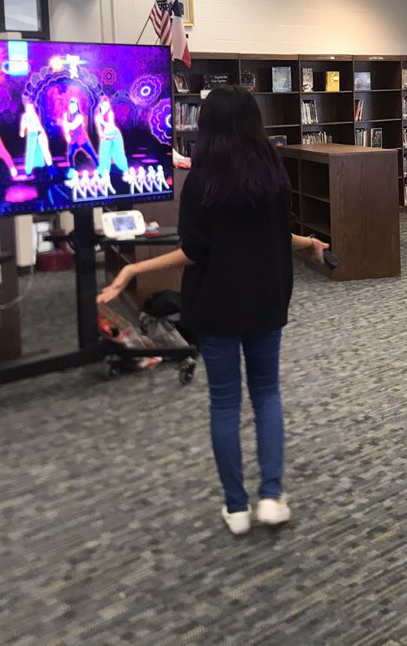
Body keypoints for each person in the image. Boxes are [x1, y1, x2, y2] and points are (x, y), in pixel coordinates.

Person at [98, 85, 326, 535]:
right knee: (267, 394)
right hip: (266, 300)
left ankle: (236, 508)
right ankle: (272, 498)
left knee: (225, 401)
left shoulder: (202, 179)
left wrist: (130, 273)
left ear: (207, 126)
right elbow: (278, 234)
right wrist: (309, 245)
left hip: (217, 303)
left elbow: (194, 252)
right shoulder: (273, 173)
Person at [61, 96, 99, 168]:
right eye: (71, 106)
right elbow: (66, 127)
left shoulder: (79, 116)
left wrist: (65, 123)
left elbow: (73, 126)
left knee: (91, 153)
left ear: (77, 107)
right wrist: (67, 134)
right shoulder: (66, 115)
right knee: (70, 155)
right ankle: (72, 170)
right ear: (69, 106)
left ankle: (99, 166)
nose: (73, 108)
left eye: (75, 106)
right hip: (73, 139)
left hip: (82, 138)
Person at [94, 94, 128, 174]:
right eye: (103, 105)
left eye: (106, 105)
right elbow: (99, 130)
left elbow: (111, 125)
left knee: (119, 154)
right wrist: (102, 136)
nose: (105, 107)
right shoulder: (98, 116)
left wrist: (102, 121)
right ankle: (103, 173)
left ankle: (125, 170)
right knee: (104, 155)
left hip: (115, 135)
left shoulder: (110, 113)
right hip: (106, 137)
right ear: (100, 105)